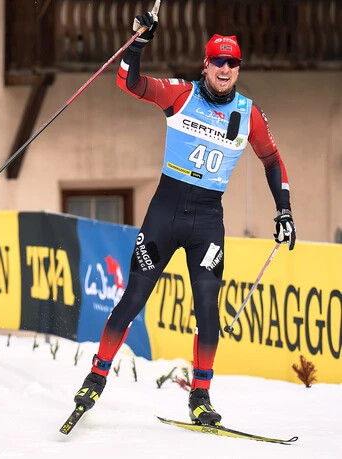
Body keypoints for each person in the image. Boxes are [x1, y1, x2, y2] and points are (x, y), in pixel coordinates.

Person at [73, 14, 295, 426]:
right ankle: (96, 377)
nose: (224, 70)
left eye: (232, 64)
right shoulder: (180, 94)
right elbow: (129, 82)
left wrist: (284, 209)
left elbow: (272, 160)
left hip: (208, 221)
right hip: (165, 214)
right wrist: (138, 43)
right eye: (217, 62)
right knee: (132, 300)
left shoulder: (249, 115)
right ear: (205, 65)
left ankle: (201, 397)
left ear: (238, 69)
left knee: (207, 310)